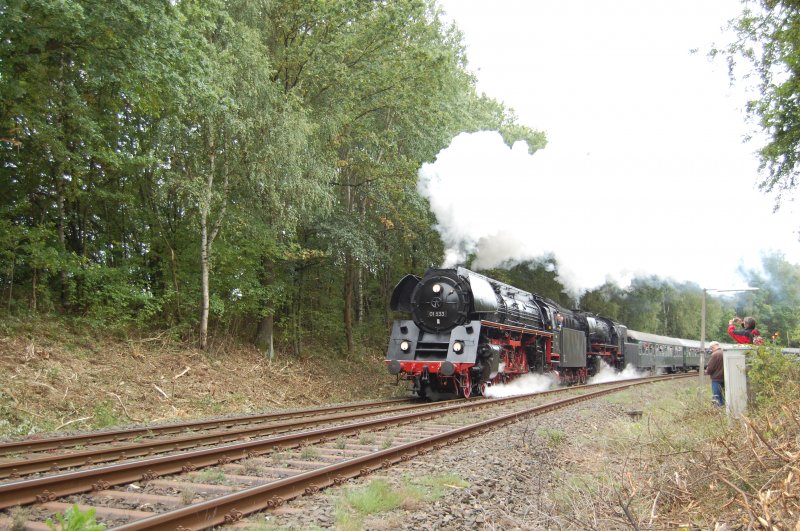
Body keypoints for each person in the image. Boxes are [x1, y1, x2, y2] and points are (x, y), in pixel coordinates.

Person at [705, 341, 725, 406]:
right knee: (724, 395)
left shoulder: (715, 354)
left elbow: (710, 367)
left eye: (711, 348)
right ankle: (724, 408)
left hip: (717, 378)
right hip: (725, 378)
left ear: (712, 347)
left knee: (716, 396)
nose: (711, 350)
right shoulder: (725, 352)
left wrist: (707, 372)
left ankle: (718, 410)